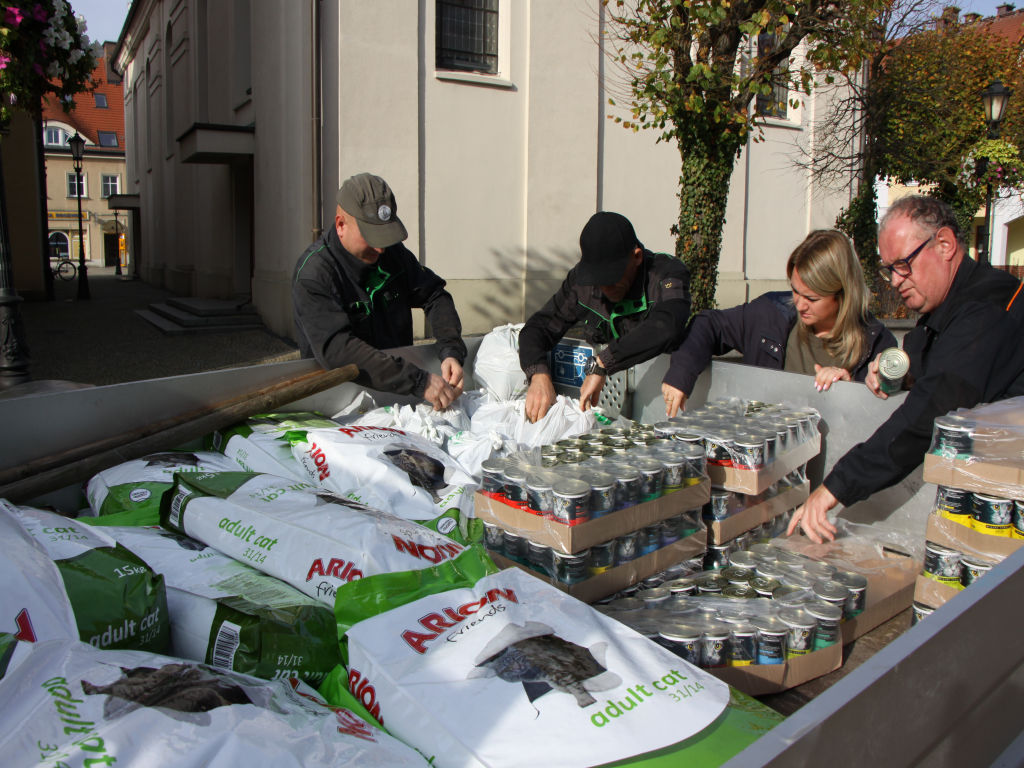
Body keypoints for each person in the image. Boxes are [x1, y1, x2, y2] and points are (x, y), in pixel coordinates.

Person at [790, 195, 1024, 543]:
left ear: (944, 244)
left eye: (902, 264)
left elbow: (929, 413)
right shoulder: (947, 306)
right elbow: (922, 354)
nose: (895, 280)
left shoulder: (986, 309)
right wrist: (895, 371)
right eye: (888, 269)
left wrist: (834, 488)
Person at [661, 230, 896, 416]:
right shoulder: (770, 314)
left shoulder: (877, 344)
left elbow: (880, 421)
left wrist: (851, 391)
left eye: (812, 298)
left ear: (843, 295)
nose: (800, 305)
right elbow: (709, 324)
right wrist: (681, 374)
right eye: (795, 290)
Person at [292, 173, 466, 410]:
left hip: (398, 401)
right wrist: (419, 381)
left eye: (384, 237)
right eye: (371, 237)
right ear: (341, 225)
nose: (380, 249)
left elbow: (434, 294)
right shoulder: (315, 274)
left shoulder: (393, 255)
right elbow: (338, 350)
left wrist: (451, 350)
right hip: (338, 405)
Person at [518, 211, 691, 423]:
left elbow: (666, 325)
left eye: (611, 277)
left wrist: (603, 363)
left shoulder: (666, 274)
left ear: (636, 257)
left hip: (664, 404)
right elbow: (537, 328)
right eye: (597, 278)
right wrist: (538, 374)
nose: (603, 286)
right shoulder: (582, 285)